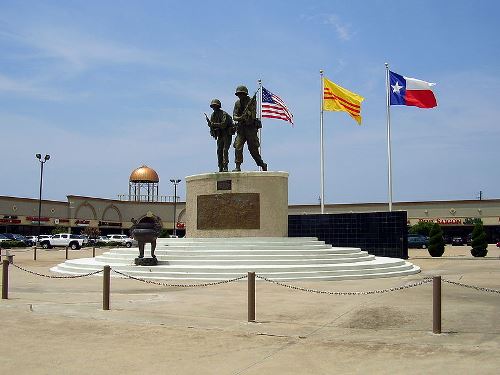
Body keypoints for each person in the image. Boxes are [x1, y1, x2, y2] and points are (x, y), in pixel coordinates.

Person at [232, 85, 267, 172]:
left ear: (245, 94)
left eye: (241, 94)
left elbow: (253, 114)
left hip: (250, 128)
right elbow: (234, 116)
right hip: (241, 129)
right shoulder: (237, 103)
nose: (240, 96)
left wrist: (247, 113)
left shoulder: (251, 101)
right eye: (239, 94)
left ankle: (261, 164)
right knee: (238, 147)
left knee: (253, 149)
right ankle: (238, 165)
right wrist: (240, 118)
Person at [207, 99, 234, 172]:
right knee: (219, 151)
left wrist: (213, 124)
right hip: (220, 135)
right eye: (213, 106)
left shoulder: (224, 114)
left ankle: (225, 166)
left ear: (218, 106)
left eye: (215, 106)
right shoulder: (213, 115)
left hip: (227, 134)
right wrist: (211, 128)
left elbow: (223, 125)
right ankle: (220, 166)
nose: (214, 108)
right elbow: (212, 126)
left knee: (225, 150)